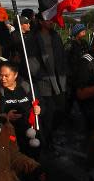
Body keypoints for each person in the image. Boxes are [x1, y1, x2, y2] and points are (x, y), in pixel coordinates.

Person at [26, 14, 68, 145]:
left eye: (51, 19)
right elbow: (31, 60)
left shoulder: (55, 35)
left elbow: (61, 54)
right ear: (40, 21)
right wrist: (40, 75)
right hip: (43, 80)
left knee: (61, 108)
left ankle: (52, 134)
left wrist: (64, 72)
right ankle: (47, 140)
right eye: (47, 19)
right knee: (47, 112)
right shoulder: (33, 38)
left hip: (59, 79)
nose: (50, 22)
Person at [0, 61, 40, 156]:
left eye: (6, 76)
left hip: (30, 132)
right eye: (1, 75)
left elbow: (40, 103)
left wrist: (39, 109)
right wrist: (4, 116)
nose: (3, 79)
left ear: (15, 75)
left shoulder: (27, 87)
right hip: (10, 133)